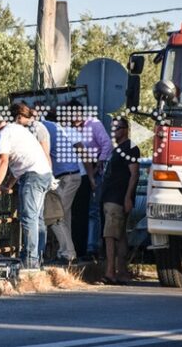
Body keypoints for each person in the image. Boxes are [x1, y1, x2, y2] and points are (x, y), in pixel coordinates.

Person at [0, 112, 53, 270]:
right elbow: (20, 164)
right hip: (44, 173)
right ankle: (37, 257)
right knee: (38, 218)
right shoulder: (17, 129)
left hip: (33, 176)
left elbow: (3, 160)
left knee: (29, 217)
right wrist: (8, 185)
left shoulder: (2, 135)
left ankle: (30, 259)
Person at [40, 109, 93, 264]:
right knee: (64, 217)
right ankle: (66, 253)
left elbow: (83, 154)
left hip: (67, 178)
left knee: (55, 216)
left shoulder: (44, 129)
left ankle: (67, 253)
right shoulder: (61, 130)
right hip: (71, 176)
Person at [67, 99, 112, 259]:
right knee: (80, 210)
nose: (74, 118)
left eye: (76, 114)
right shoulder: (71, 128)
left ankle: (92, 247)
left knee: (93, 210)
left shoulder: (94, 124)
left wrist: (98, 163)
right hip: (79, 171)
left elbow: (107, 144)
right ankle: (80, 246)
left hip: (95, 168)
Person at [101, 118, 139, 284]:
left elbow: (134, 174)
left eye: (117, 128)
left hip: (117, 198)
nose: (114, 132)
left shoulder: (130, 148)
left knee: (110, 235)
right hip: (111, 196)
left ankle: (110, 272)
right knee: (121, 235)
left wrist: (127, 197)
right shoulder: (118, 149)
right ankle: (122, 272)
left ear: (125, 130)